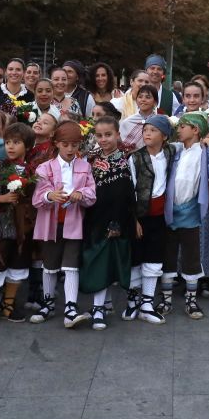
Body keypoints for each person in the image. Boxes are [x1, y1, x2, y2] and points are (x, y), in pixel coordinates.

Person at [162, 111, 209, 318]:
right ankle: (165, 302)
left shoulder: (203, 152)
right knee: (169, 258)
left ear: (195, 130)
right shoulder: (175, 150)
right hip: (170, 212)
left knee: (192, 257)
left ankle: (191, 302)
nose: (179, 129)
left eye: (183, 126)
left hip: (191, 213)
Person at [33, 121, 95, 328]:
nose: (70, 149)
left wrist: (82, 194)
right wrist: (50, 195)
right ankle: (48, 303)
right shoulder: (45, 168)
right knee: (49, 265)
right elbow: (37, 198)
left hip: (73, 223)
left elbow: (92, 194)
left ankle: (70, 307)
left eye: (75, 145)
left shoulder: (85, 167)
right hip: (50, 224)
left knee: (71, 265)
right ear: (57, 144)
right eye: (66, 144)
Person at [80, 117, 136, 329]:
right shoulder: (90, 159)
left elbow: (129, 193)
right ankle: (99, 307)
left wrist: (119, 222)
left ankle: (102, 307)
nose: (104, 139)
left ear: (118, 134)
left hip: (118, 218)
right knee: (98, 263)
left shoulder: (126, 158)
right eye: (100, 135)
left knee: (112, 262)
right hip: (95, 217)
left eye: (108, 135)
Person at [0, 123, 34, 324]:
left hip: (24, 225)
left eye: (17, 142)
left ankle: (8, 306)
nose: (11, 146)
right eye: (8, 142)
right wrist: (0, 199)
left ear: (27, 146)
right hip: (3, 224)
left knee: (18, 265)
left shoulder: (32, 170)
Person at [125, 114, 173, 324]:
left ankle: (147, 302)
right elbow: (130, 191)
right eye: (146, 130)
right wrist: (133, 219)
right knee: (136, 257)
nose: (147, 134)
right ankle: (133, 300)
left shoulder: (171, 152)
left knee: (154, 257)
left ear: (164, 136)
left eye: (153, 131)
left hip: (159, 215)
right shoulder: (135, 158)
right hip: (140, 215)